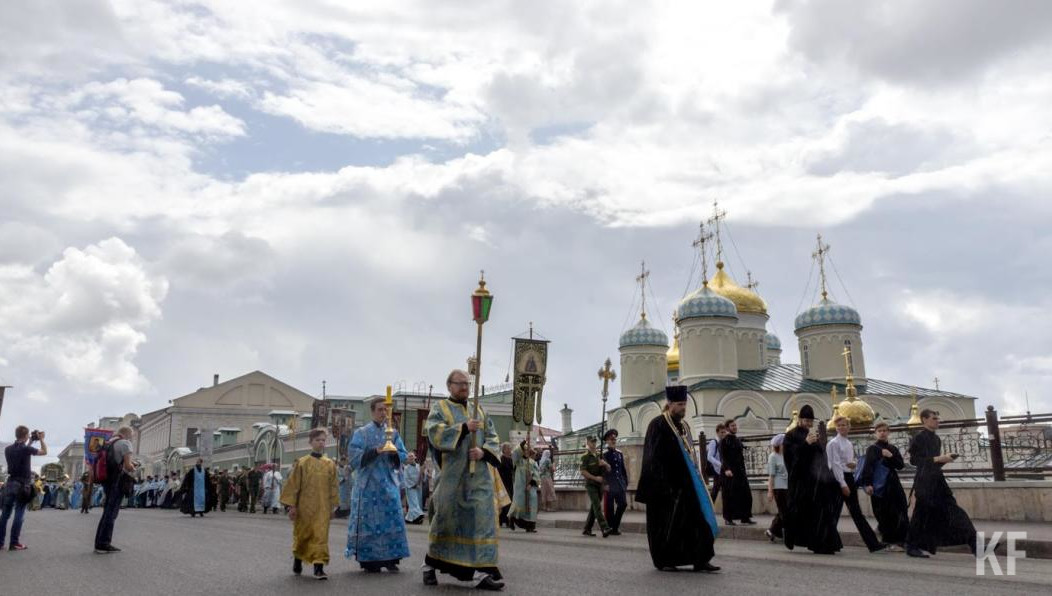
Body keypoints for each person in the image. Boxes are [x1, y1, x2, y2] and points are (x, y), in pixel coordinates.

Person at [422, 369, 505, 591]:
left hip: (478, 476)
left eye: (467, 384)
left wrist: (484, 451)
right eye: (460, 384)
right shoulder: (440, 408)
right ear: (449, 385)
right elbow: (434, 433)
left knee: (482, 517)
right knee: (446, 520)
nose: (465, 388)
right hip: (453, 476)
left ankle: (482, 571)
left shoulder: (478, 409)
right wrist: (463, 428)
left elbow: (493, 436)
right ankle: (429, 565)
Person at [635, 386, 719, 572]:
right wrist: (664, 486)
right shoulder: (657, 425)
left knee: (698, 520)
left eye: (685, 404)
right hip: (666, 487)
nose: (683, 408)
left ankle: (701, 559)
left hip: (687, 485)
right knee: (666, 525)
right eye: (680, 404)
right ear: (670, 405)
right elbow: (653, 457)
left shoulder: (684, 426)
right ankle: (666, 560)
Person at [346, 398, 411, 572]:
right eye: (380, 409)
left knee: (393, 519)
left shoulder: (393, 433)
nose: (384, 413)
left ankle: (392, 559)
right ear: (372, 411)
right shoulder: (362, 433)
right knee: (369, 522)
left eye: (386, 410)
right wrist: (375, 451)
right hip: (368, 485)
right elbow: (353, 456)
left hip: (388, 483)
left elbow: (402, 454)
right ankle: (369, 561)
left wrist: (394, 453)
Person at [905, 409, 978, 558]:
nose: (938, 421)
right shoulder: (918, 438)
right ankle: (911, 546)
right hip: (924, 482)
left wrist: (944, 460)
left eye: (938, 418)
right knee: (921, 515)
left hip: (937, 481)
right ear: (924, 420)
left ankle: (976, 545)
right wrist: (938, 459)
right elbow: (914, 461)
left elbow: (934, 464)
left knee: (956, 512)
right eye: (934, 418)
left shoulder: (936, 439)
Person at [782, 405, 842, 554]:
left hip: (816, 481)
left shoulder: (812, 434)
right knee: (796, 511)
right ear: (800, 419)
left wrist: (827, 475)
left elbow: (819, 456)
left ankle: (824, 543)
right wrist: (805, 444)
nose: (808, 423)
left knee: (820, 513)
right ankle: (790, 537)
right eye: (806, 420)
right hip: (800, 483)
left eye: (810, 420)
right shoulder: (790, 436)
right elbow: (791, 459)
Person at [281, 428, 339, 580]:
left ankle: (318, 568)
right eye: (317, 440)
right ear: (310, 442)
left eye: (323, 440)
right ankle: (298, 559)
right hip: (304, 507)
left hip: (323, 508)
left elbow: (334, 486)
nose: (321, 443)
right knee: (303, 535)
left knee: (321, 536)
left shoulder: (330, 464)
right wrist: (292, 506)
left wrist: (333, 506)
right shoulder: (302, 463)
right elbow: (293, 486)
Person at [827, 416, 885, 552]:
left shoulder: (847, 443)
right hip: (837, 480)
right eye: (839, 425)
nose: (841, 427)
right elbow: (834, 465)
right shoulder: (833, 443)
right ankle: (828, 542)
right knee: (834, 512)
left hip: (848, 477)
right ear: (836, 427)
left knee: (857, 512)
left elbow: (847, 462)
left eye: (844, 425)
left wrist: (853, 465)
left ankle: (873, 544)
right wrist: (842, 484)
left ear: (849, 427)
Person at [859, 421, 908, 550]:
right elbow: (868, 467)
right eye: (879, 431)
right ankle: (888, 539)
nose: (882, 433)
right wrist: (868, 484)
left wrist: (890, 456)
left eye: (885, 431)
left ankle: (900, 540)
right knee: (883, 512)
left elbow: (900, 465)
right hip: (879, 486)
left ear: (888, 433)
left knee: (900, 509)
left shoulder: (892, 448)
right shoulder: (872, 449)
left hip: (893, 484)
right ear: (876, 433)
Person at [1, 426, 48, 550]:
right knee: (19, 513)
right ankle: (14, 542)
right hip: (22, 484)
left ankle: (0, 543)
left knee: (5, 514)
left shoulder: (8, 449)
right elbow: (44, 451)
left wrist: (31, 440)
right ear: (26, 435)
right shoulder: (26, 449)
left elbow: (21, 450)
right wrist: (41, 439)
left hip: (10, 483)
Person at [93, 426, 135, 554]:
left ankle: (99, 542)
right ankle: (104, 544)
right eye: (132, 435)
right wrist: (134, 466)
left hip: (106, 480)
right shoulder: (125, 443)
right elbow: (128, 466)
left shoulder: (109, 443)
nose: (132, 438)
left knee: (107, 511)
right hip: (117, 481)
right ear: (127, 434)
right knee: (111, 513)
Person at [718, 419, 754, 525]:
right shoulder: (724, 440)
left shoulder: (736, 440)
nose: (734, 427)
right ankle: (728, 518)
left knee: (746, 494)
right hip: (729, 472)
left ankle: (745, 517)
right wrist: (727, 469)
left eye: (735, 425)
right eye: (732, 426)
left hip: (740, 471)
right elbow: (723, 456)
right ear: (727, 428)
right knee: (729, 495)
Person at [580, 435, 611, 537]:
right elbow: (583, 472)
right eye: (591, 441)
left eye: (595, 441)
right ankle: (604, 527)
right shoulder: (585, 456)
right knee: (597, 506)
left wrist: (605, 464)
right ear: (588, 442)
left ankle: (587, 529)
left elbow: (609, 469)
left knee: (594, 507)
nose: (593, 443)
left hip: (600, 485)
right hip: (591, 485)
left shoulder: (599, 455)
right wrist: (595, 478)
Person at [507, 440, 538, 532]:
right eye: (524, 450)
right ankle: (512, 518)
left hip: (530, 486)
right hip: (520, 486)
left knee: (532, 501)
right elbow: (515, 453)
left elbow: (536, 474)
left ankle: (530, 525)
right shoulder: (518, 461)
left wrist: (532, 483)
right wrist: (523, 442)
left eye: (528, 450)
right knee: (519, 503)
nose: (526, 452)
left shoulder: (532, 462)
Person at [601, 429, 628, 535]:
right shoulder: (604, 454)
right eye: (611, 439)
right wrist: (605, 484)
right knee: (610, 508)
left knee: (623, 504)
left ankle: (614, 526)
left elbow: (622, 469)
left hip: (619, 484)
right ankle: (611, 528)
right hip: (610, 484)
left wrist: (625, 482)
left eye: (614, 439)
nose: (613, 441)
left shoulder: (619, 453)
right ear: (607, 440)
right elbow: (602, 472)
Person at [765, 434, 788, 542]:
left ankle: (773, 530)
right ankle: (773, 530)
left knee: (785, 511)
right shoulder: (773, 456)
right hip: (779, 488)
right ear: (779, 444)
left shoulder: (786, 455)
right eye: (785, 443)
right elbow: (771, 475)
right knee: (784, 511)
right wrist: (770, 491)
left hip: (788, 487)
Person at [706, 423, 727, 500]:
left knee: (726, 490)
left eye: (724, 432)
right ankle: (710, 509)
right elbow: (709, 457)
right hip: (717, 469)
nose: (723, 434)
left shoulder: (724, 441)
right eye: (722, 432)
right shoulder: (713, 442)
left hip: (724, 469)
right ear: (717, 432)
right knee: (715, 490)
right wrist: (720, 464)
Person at [403, 452, 425, 524]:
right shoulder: (406, 468)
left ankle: (409, 519)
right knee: (413, 502)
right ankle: (419, 514)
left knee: (417, 502)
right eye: (409, 457)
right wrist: (413, 485)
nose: (411, 458)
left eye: (412, 456)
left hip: (418, 487)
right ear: (408, 459)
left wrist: (419, 483)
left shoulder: (419, 467)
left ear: (415, 457)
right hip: (410, 488)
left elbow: (422, 476)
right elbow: (406, 479)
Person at [497, 442, 515, 529]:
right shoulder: (501, 459)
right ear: (504, 450)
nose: (509, 450)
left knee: (510, 501)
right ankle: (502, 520)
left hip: (509, 482)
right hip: (503, 482)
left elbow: (513, 469)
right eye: (508, 448)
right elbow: (499, 471)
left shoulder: (511, 459)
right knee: (505, 502)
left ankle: (507, 520)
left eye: (510, 448)